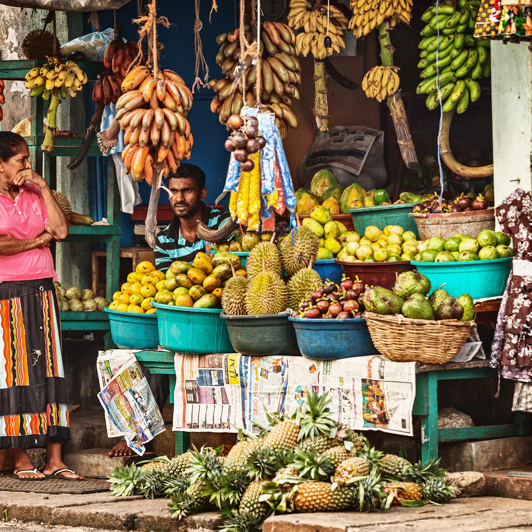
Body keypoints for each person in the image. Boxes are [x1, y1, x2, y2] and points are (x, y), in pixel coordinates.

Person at [109, 163, 230, 457]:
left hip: (220, 317)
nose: (179, 198)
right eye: (173, 191)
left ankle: (233, 438)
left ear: (201, 193)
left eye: (187, 191)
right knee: (143, 355)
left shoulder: (223, 221)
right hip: (183, 319)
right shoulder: (164, 238)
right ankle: (137, 435)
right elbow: (168, 289)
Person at [0, 132, 83, 480]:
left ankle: (55, 458)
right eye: (21, 160)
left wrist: (44, 186)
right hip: (7, 292)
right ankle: (20, 458)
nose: (27, 165)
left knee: (51, 368)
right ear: (0, 164)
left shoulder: (35, 192)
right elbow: (2, 245)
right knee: (14, 371)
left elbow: (61, 231)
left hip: (43, 289)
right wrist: (37, 240)